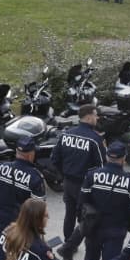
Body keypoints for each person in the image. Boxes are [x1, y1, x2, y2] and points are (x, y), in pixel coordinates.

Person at [51, 103, 106, 248]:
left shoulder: (66, 134)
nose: (97, 118)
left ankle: (68, 242)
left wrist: (64, 174)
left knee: (69, 214)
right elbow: (102, 166)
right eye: (95, 115)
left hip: (68, 182)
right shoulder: (94, 139)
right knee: (87, 216)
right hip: (85, 185)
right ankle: (76, 246)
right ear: (88, 117)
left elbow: (55, 159)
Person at [0, 137, 46, 228]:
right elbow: (38, 209)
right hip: (23, 228)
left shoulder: (0, 168)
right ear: (31, 155)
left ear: (16, 151)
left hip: (1, 224)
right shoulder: (35, 177)